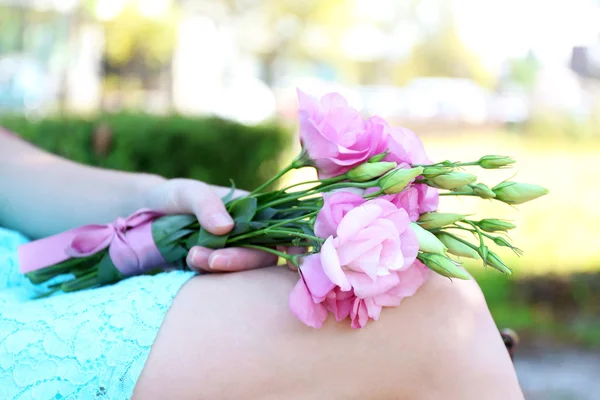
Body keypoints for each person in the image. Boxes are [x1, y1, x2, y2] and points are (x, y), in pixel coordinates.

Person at [0, 129, 524, 399]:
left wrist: (171, 200)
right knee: (435, 320)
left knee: (430, 305)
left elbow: (19, 174)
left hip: (24, 277)